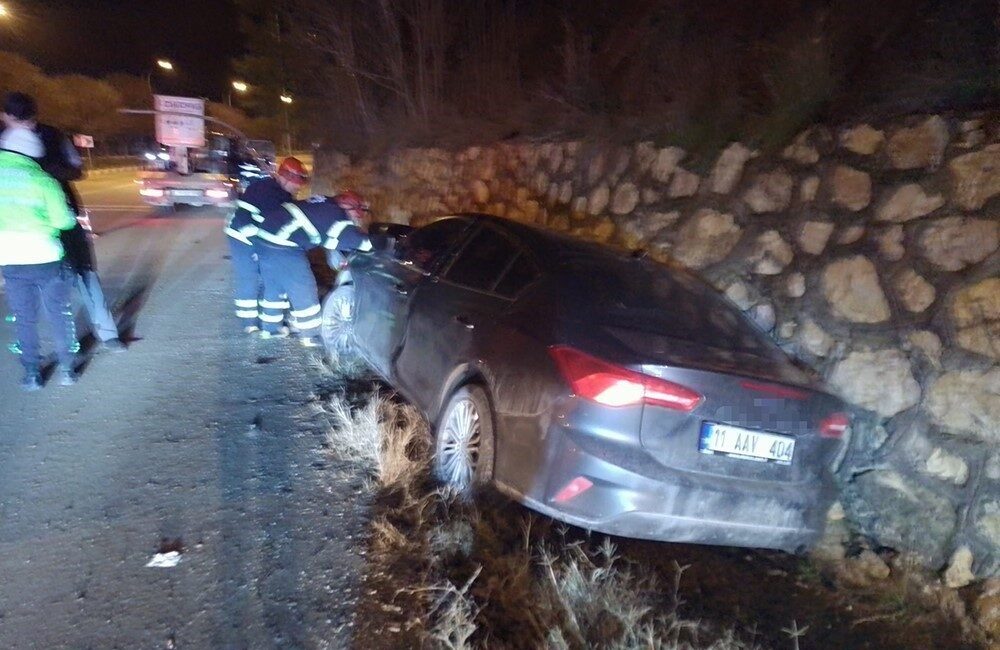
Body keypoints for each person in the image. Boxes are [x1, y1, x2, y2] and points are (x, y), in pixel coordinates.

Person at [1, 92, 125, 352]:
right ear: (7, 116)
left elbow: (77, 169)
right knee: (26, 290)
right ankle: (34, 353)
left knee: (83, 271)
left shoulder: (54, 136)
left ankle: (106, 332)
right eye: (19, 118)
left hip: (61, 216)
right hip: (20, 228)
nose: (25, 123)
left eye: (28, 118)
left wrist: (49, 172)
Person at [0, 126, 79, 390]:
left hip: (10, 259)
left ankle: (32, 374)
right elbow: (63, 221)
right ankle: (68, 369)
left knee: (24, 317)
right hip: (46, 257)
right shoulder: (43, 180)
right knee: (57, 312)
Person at [252, 192, 373, 347]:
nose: (356, 219)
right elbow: (356, 241)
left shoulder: (324, 203)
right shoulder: (337, 217)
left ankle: (270, 329)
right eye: (357, 214)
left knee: (275, 286)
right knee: (304, 286)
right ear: (350, 209)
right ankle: (310, 335)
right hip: (282, 245)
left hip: (263, 238)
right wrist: (380, 245)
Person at [225, 156, 309, 333]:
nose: (297, 187)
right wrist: (258, 249)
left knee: (267, 275)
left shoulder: (281, 192)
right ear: (284, 177)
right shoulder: (268, 192)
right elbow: (270, 227)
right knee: (249, 276)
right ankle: (249, 323)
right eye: (295, 183)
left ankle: (268, 319)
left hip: (255, 230)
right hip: (241, 233)